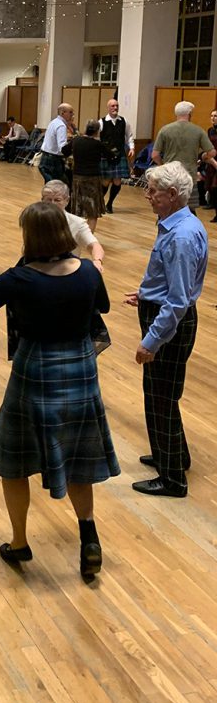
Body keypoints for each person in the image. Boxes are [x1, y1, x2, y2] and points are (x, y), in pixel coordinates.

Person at [0, 202, 119, 579]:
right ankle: (89, 535)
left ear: (31, 236)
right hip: (81, 371)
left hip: (36, 373)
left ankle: (19, 543)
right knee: (79, 459)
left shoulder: (18, 279)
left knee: (12, 460)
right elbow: (105, 307)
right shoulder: (88, 275)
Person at [124, 162, 208, 498]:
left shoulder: (182, 236)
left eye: (153, 191)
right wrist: (145, 294)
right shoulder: (178, 224)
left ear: (172, 195)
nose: (147, 196)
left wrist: (150, 341)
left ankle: (172, 478)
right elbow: (170, 285)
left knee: (161, 398)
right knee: (161, 394)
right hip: (164, 313)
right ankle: (172, 454)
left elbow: (177, 301)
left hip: (169, 324)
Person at [152, 101, 215, 212]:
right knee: (189, 211)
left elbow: (155, 155)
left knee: (167, 209)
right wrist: (204, 157)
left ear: (176, 114)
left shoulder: (165, 130)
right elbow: (212, 153)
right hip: (189, 177)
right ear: (189, 114)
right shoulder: (198, 131)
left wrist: (163, 166)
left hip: (169, 176)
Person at [41, 180, 104, 271]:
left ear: (67, 200)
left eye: (57, 200)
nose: (52, 204)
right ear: (42, 200)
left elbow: (94, 246)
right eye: (48, 199)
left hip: (67, 271)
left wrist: (97, 261)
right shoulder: (35, 219)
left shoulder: (77, 223)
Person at [62, 119, 112, 232]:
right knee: (92, 210)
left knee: (77, 207)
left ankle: (75, 234)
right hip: (93, 178)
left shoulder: (76, 140)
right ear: (97, 131)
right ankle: (88, 237)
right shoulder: (98, 144)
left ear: (86, 128)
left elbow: (64, 151)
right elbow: (110, 155)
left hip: (78, 177)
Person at [100, 98, 134, 213]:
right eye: (113, 106)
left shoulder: (124, 121)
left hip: (120, 154)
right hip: (106, 155)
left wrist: (132, 148)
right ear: (108, 107)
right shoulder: (101, 122)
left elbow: (129, 136)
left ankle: (109, 204)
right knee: (105, 181)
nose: (115, 108)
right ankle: (99, 202)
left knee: (117, 181)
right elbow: (97, 138)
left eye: (117, 106)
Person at [39, 103, 74, 184]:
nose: (72, 114)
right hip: (53, 159)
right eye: (70, 112)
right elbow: (62, 147)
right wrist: (73, 144)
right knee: (59, 185)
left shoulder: (54, 122)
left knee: (50, 185)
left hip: (46, 156)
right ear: (63, 113)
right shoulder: (61, 126)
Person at [202, 108, 217, 222]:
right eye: (211, 116)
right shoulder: (210, 130)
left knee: (215, 186)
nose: (213, 118)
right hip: (211, 160)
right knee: (210, 186)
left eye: (215, 116)